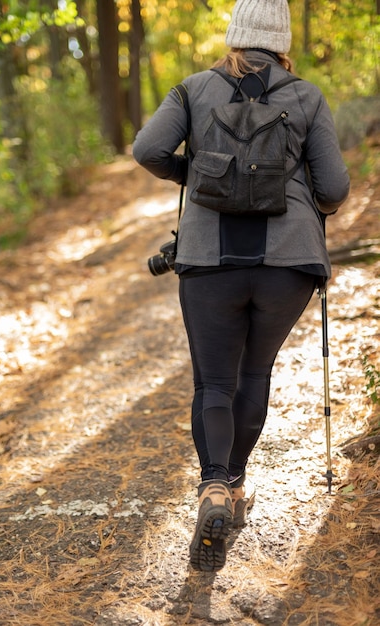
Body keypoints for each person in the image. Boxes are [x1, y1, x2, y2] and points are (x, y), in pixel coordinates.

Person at [133, 0, 350, 572]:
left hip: (209, 261)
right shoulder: (305, 96)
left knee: (214, 381)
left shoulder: (192, 89)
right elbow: (334, 187)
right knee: (255, 372)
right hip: (288, 263)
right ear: (281, 42)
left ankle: (212, 489)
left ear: (234, 35)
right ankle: (234, 485)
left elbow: (148, 150)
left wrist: (200, 170)